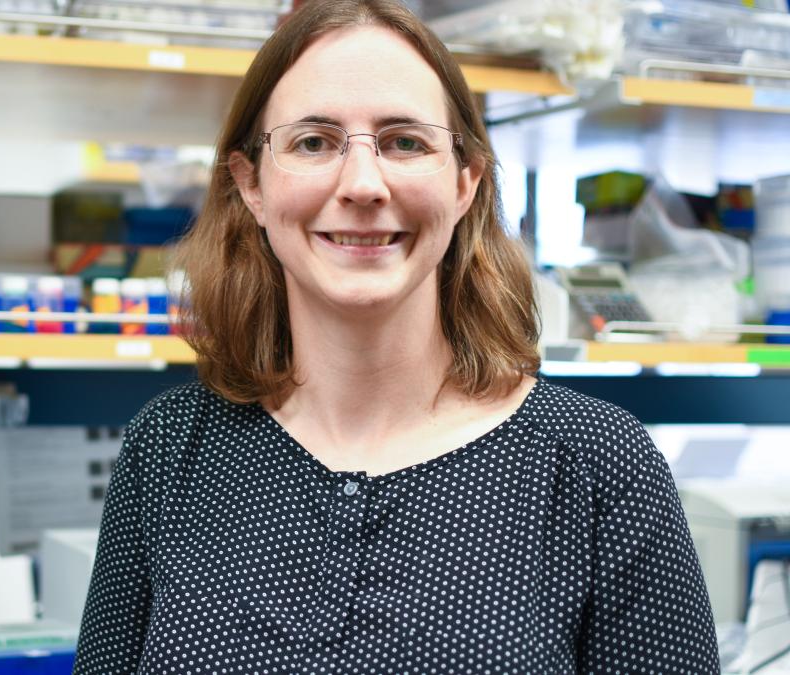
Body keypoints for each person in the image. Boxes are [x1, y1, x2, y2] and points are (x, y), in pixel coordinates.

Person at [73, 0, 720, 672]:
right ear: (252, 184)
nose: (361, 184)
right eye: (313, 141)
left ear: (466, 181)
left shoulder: (598, 465)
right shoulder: (169, 448)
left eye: (405, 141)